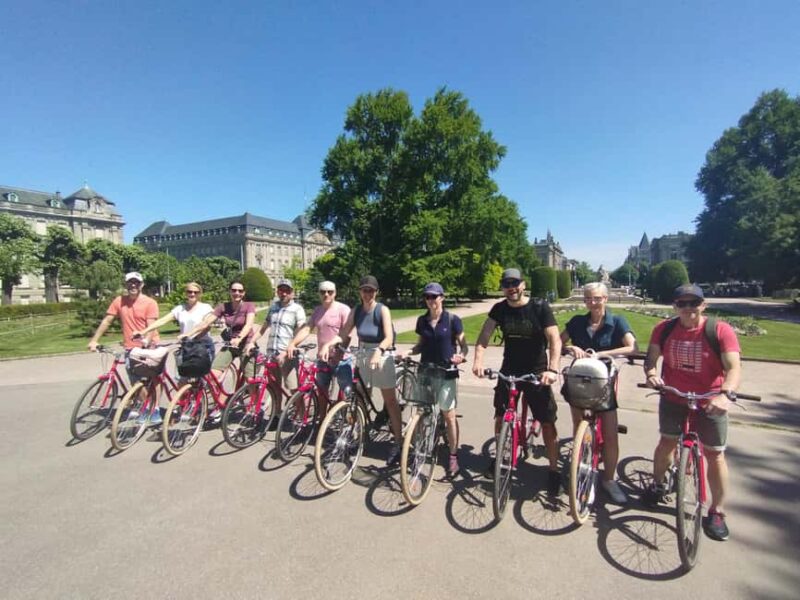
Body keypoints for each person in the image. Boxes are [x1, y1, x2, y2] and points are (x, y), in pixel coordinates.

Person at [643, 283, 741, 542]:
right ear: (675, 306)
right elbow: (651, 359)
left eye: (694, 303)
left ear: (703, 305)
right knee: (667, 442)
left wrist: (726, 394)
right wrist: (651, 374)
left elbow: (733, 367)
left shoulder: (719, 330)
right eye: (682, 303)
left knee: (714, 454)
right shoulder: (663, 329)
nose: (688, 308)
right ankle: (658, 484)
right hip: (673, 396)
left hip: (711, 401)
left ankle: (717, 511)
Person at [472, 268, 563, 495]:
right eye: (506, 284)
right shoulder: (499, 309)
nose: (511, 288)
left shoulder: (539, 307)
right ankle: (500, 456)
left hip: (536, 371)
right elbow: (484, 336)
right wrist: (478, 361)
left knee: (547, 422)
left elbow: (554, 339)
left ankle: (554, 470)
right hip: (510, 369)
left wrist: (552, 369)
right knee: (500, 416)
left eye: (515, 283)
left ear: (523, 285)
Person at [560, 281, 636, 504]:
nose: (592, 302)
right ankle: (580, 467)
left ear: (605, 299)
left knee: (610, 434)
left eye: (597, 298)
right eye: (588, 298)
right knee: (579, 428)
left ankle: (609, 480)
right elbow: (557, 342)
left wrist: (603, 354)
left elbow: (632, 347)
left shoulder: (617, 321)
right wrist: (570, 347)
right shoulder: (577, 322)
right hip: (580, 378)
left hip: (603, 380)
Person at [319, 275, 403, 466]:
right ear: (360, 292)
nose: (367, 294)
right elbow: (344, 333)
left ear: (376, 292)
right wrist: (328, 345)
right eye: (364, 290)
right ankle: (359, 434)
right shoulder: (356, 310)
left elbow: (388, 337)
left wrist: (379, 351)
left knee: (390, 401)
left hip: (382, 354)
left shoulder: (382, 310)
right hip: (363, 353)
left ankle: (398, 442)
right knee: (359, 398)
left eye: (371, 291)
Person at [400, 282, 468, 478]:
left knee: (448, 415)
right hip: (426, 371)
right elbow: (420, 346)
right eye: (427, 297)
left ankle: (453, 456)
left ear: (442, 298)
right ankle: (419, 449)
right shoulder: (422, 321)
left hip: (446, 372)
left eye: (434, 296)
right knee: (421, 412)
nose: (430, 300)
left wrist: (461, 356)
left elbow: (464, 346)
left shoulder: (453, 320)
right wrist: (408, 352)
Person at [87, 271, 162, 423]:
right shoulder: (119, 301)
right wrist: (94, 340)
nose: (133, 285)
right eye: (130, 282)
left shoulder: (149, 303)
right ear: (126, 284)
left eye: (136, 282)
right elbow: (107, 321)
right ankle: (146, 406)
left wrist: (147, 341)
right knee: (135, 381)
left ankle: (155, 409)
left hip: (149, 346)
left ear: (142, 285)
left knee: (153, 379)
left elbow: (151, 326)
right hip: (130, 347)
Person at [183, 279, 257, 416]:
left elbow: (249, 325)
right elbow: (206, 322)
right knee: (212, 375)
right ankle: (220, 404)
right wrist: (188, 334)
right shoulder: (223, 307)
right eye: (234, 290)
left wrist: (239, 338)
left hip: (246, 343)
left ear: (244, 293)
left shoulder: (249, 306)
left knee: (250, 379)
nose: (237, 293)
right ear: (230, 291)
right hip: (230, 344)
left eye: (240, 291)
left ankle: (253, 407)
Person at [286, 280, 351, 417]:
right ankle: (322, 421)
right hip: (323, 358)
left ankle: (346, 420)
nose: (326, 294)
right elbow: (307, 329)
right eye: (323, 292)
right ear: (319, 294)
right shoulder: (318, 310)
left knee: (346, 392)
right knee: (322, 391)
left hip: (341, 358)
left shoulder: (343, 309)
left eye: (330, 292)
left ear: (335, 293)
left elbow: (347, 335)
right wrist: (293, 343)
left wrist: (339, 353)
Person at [246, 278, 306, 398]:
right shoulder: (273, 308)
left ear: (292, 293)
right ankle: (277, 410)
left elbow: (302, 330)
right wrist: (251, 342)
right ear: (277, 292)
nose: (284, 293)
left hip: (288, 355)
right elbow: (263, 328)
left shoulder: (297, 309)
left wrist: (290, 347)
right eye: (281, 290)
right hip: (272, 355)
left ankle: (299, 410)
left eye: (287, 291)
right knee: (274, 389)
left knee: (294, 391)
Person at [133, 282, 215, 362]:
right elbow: (162, 321)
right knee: (184, 370)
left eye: (196, 292)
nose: (192, 294)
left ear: (200, 294)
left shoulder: (205, 308)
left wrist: (189, 335)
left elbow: (206, 326)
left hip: (203, 346)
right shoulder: (180, 309)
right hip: (186, 347)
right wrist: (143, 331)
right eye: (189, 291)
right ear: (186, 293)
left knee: (203, 370)